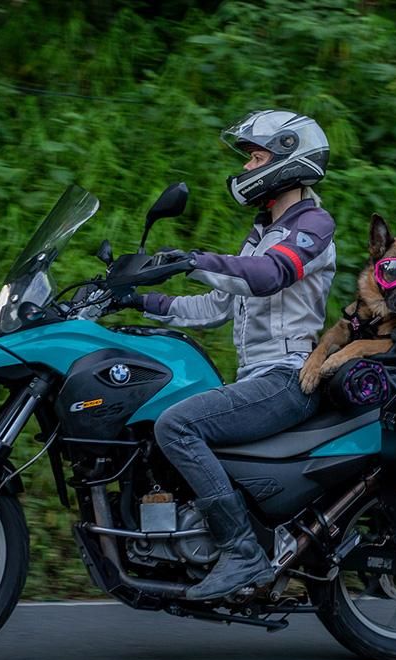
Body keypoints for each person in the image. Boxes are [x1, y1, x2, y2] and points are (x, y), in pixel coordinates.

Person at [120, 110, 336, 600]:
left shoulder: (313, 224)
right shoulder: (263, 232)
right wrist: (139, 301)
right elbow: (218, 306)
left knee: (177, 426)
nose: (246, 168)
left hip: (288, 377)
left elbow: (269, 276)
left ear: (288, 159)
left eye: (256, 157)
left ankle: (241, 552)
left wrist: (193, 260)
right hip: (258, 376)